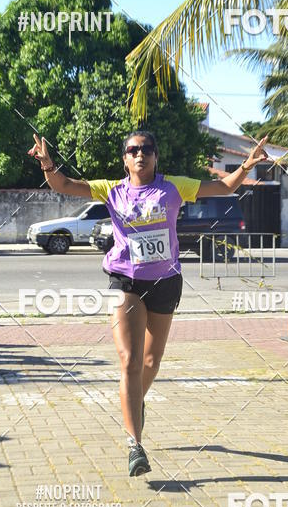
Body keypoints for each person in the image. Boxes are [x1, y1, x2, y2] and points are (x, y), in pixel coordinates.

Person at [28, 129, 270, 476]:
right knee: (129, 359)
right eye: (132, 149)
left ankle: (134, 401)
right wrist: (47, 162)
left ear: (156, 157)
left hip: (166, 282)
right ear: (124, 158)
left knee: (152, 360)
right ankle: (134, 445)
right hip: (124, 280)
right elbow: (64, 185)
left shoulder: (174, 187)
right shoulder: (111, 190)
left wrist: (246, 165)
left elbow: (224, 187)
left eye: (147, 149)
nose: (140, 154)